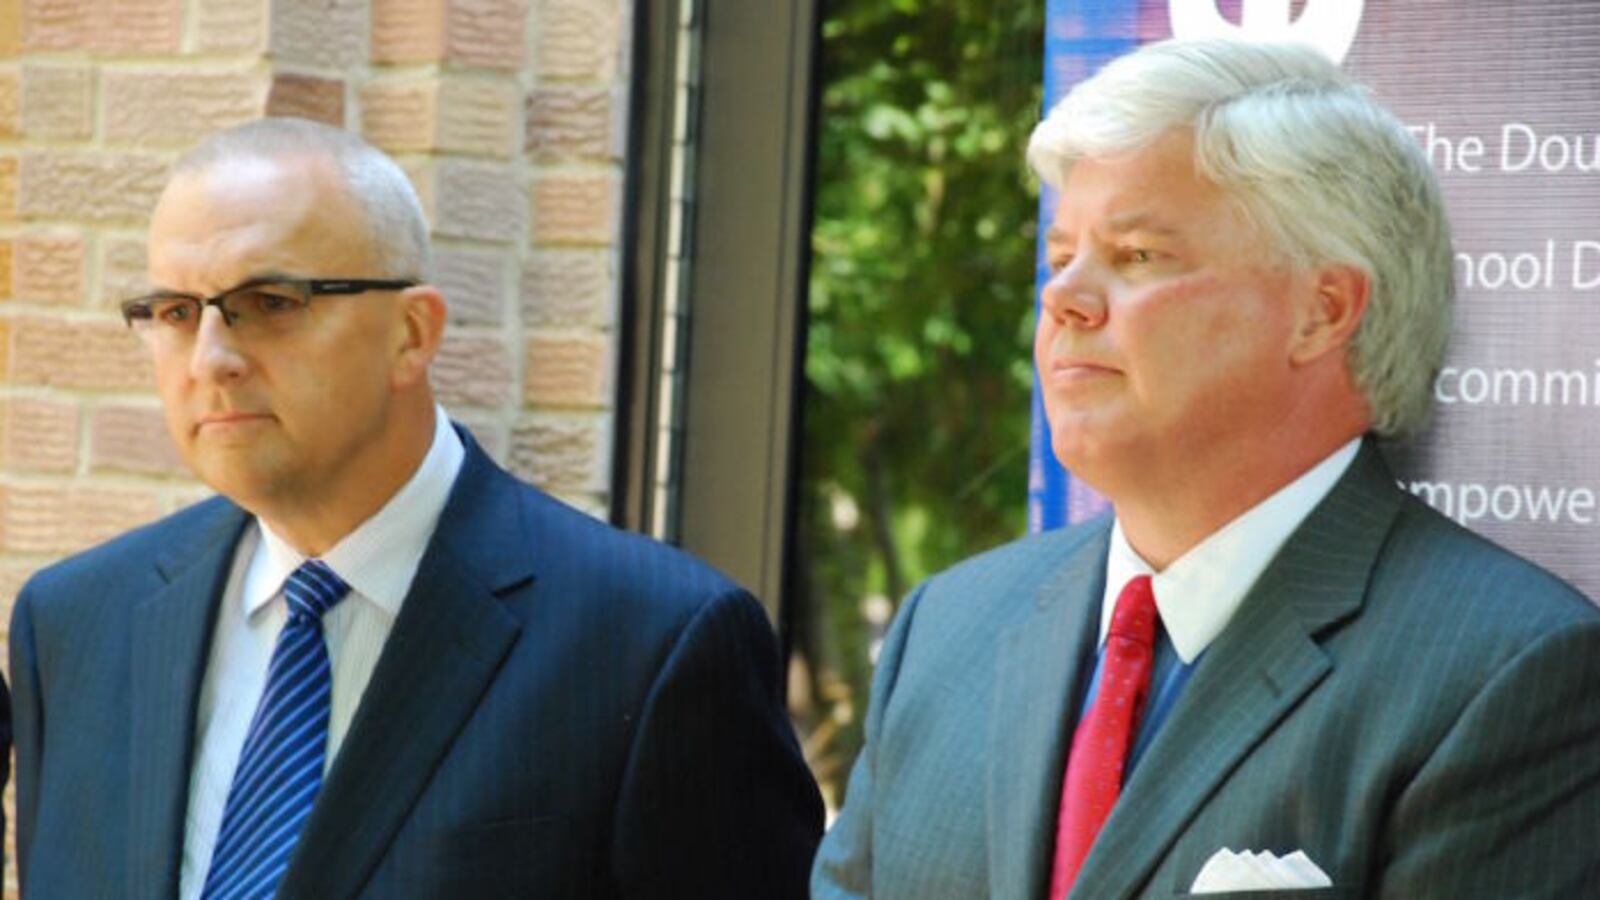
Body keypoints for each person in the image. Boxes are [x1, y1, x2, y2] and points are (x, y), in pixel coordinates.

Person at [813, 38, 1600, 899]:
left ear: (1321, 311)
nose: (1064, 298)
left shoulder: (1510, 673)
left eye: (1138, 255)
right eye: (1060, 256)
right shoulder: (945, 630)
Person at [9, 117, 822, 899]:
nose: (212, 358)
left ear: (412, 333)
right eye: (177, 313)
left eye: (269, 303)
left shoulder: (655, 643)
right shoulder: (75, 623)